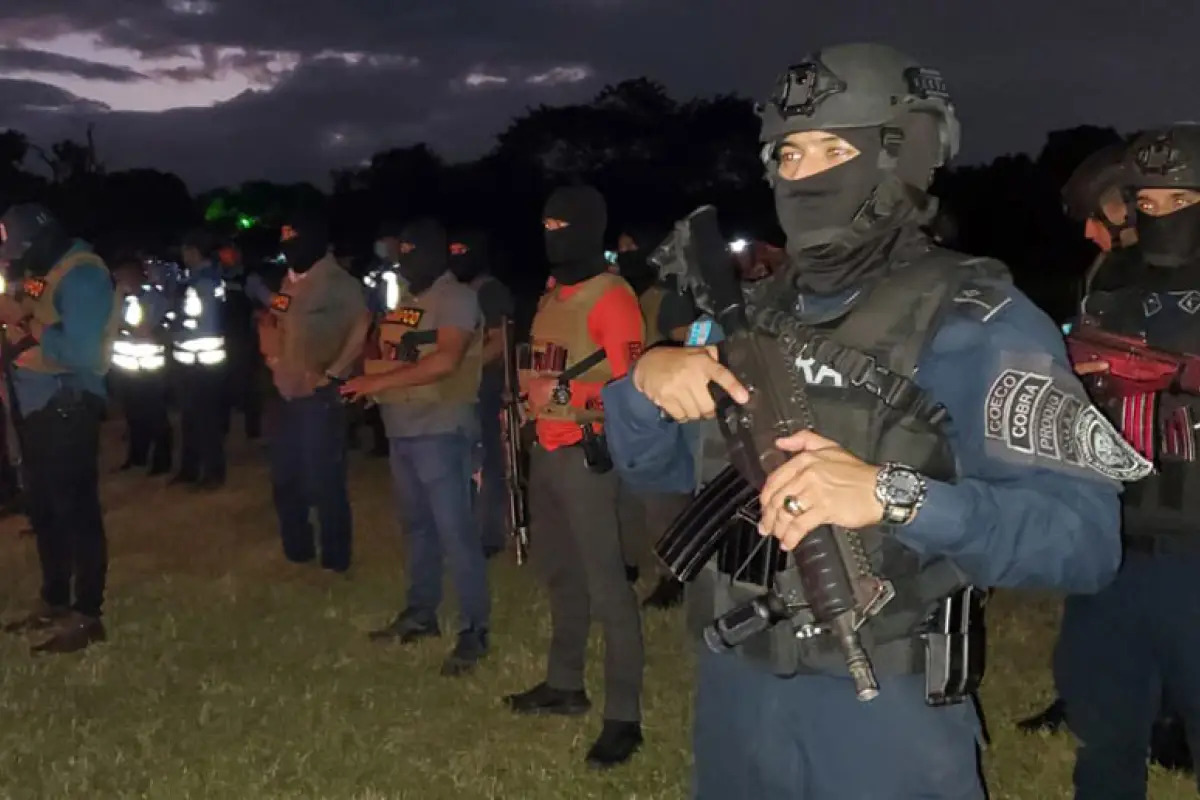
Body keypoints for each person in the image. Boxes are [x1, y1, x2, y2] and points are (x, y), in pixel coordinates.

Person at [599, 43, 1136, 798]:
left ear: (899, 156)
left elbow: (1084, 543)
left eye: (833, 148)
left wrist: (895, 495)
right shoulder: (744, 316)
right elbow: (651, 471)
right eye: (788, 152)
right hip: (735, 698)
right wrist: (646, 383)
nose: (803, 172)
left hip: (882, 710)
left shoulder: (977, 320)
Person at [1053, 124, 1200, 799]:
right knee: (1105, 734)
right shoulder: (1109, 281)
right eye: (1149, 201)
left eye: (1180, 200)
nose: (1161, 215)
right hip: (1111, 546)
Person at [500, 185, 648, 768]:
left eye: (564, 224)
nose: (552, 233)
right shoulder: (552, 294)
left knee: (609, 587)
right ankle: (564, 683)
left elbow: (634, 391)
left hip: (589, 457)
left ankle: (624, 718)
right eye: (547, 222)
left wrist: (565, 397)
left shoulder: (612, 298)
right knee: (560, 574)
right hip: (546, 450)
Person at [342, 217, 491, 677]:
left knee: (455, 533)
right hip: (402, 427)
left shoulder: (457, 299)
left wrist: (375, 380)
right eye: (401, 254)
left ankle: (473, 631)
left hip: (442, 428)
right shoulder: (407, 300)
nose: (405, 263)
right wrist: (371, 381)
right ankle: (421, 613)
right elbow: (397, 351)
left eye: (412, 254)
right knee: (417, 529)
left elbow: (446, 360)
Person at [0, 203, 118, 654]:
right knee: (44, 511)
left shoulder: (83, 276)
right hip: (34, 406)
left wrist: (23, 324)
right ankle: (55, 599)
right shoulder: (45, 269)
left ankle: (88, 614)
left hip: (65, 406)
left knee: (76, 513)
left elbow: (84, 352)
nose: (17, 262)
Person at [261, 214, 368, 574]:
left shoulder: (338, 282)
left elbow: (362, 324)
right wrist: (272, 356)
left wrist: (335, 371)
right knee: (285, 476)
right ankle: (298, 550)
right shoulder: (289, 282)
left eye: (296, 243)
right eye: (285, 244)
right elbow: (272, 319)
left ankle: (335, 559)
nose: (290, 251)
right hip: (284, 391)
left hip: (318, 396)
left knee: (323, 479)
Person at [613, 228, 691, 609]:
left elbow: (689, 342)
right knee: (628, 496)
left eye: (632, 247)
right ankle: (628, 564)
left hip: (662, 413)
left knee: (664, 500)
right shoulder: (624, 296)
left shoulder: (666, 299)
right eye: (621, 248)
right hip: (628, 409)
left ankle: (673, 577)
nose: (625, 254)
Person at [448, 228, 515, 558]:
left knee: (489, 462)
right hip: (462, 390)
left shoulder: (489, 290)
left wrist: (466, 368)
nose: (457, 256)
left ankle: (490, 536)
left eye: (463, 250)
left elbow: (500, 338)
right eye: (453, 250)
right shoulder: (456, 290)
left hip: (486, 388)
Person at [171, 229, 228, 490]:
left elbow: (196, 321)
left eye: (185, 250)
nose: (183, 256)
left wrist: (174, 328)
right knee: (193, 418)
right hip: (198, 358)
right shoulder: (209, 278)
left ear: (194, 251)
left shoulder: (200, 283)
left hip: (200, 360)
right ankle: (192, 468)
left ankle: (210, 472)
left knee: (203, 419)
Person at [110, 254, 173, 475]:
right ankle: (137, 456)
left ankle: (162, 460)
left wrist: (121, 323)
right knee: (133, 415)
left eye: (123, 276)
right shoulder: (121, 299)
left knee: (155, 415)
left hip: (150, 368)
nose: (120, 280)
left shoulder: (153, 298)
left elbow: (143, 330)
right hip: (128, 368)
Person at [217, 241, 263, 442]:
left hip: (244, 339)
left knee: (249, 384)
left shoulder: (249, 278)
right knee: (221, 383)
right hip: (220, 338)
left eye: (230, 252)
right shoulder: (215, 277)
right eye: (223, 253)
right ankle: (222, 426)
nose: (226, 257)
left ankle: (253, 429)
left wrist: (287, 305)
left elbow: (270, 299)